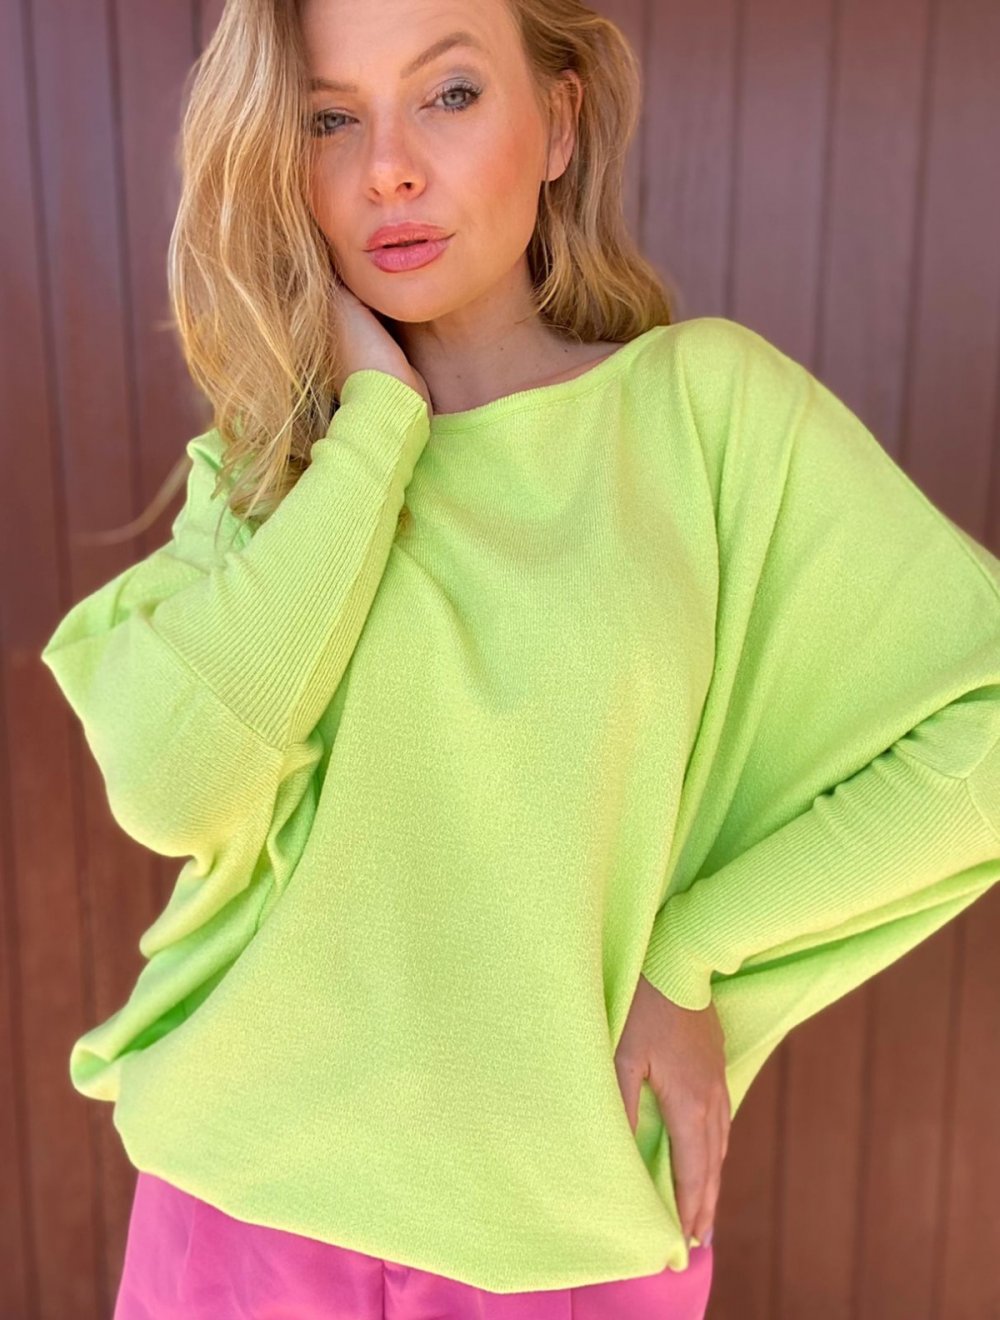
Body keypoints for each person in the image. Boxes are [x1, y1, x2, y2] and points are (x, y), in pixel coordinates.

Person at [38, 0, 1000, 1316]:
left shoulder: (702, 419)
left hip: (561, 1247)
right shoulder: (270, 478)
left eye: (449, 95)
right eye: (330, 119)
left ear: (558, 121)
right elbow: (169, 786)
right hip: (236, 1214)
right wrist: (377, 429)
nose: (388, 168)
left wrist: (695, 952)